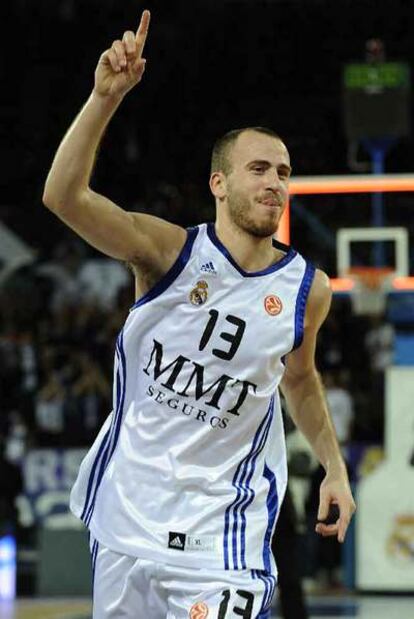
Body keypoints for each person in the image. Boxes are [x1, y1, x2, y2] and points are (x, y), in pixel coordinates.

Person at [42, 10, 355, 619]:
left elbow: (301, 380)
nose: (275, 184)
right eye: (259, 169)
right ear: (218, 182)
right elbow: (63, 197)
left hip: (223, 539)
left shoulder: (306, 290)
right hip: (128, 521)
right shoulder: (166, 252)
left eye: (284, 173)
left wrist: (334, 470)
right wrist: (104, 99)